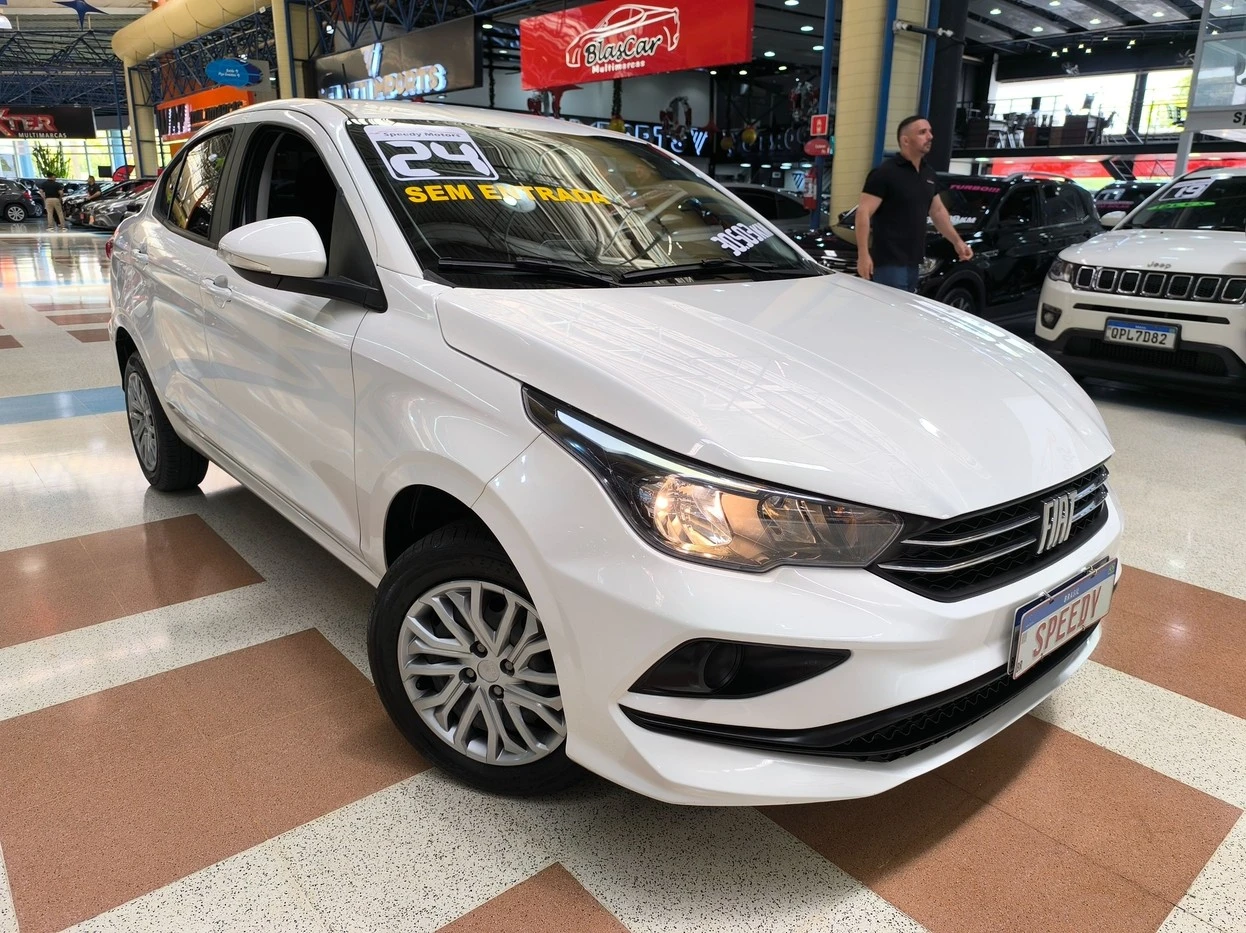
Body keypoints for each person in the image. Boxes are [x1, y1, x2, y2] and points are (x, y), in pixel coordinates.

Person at [855, 115, 972, 293]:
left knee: (906, 310)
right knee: (892, 309)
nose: (930, 136)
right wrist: (863, 254)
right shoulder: (885, 173)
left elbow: (938, 211)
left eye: (930, 132)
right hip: (889, 262)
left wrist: (957, 242)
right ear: (905, 140)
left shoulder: (928, 173)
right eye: (922, 132)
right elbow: (863, 212)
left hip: (914, 262)